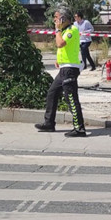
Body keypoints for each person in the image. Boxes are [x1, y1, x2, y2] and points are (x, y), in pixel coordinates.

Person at [35, 8, 87, 137]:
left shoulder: (72, 30)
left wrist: (57, 30)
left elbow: (60, 44)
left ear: (63, 19)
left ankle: (79, 128)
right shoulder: (65, 31)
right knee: (52, 93)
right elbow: (64, 49)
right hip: (64, 68)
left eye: (56, 17)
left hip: (70, 69)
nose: (54, 20)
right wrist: (59, 60)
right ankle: (49, 123)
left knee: (71, 98)